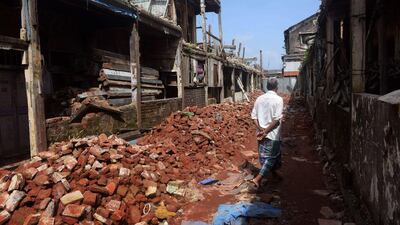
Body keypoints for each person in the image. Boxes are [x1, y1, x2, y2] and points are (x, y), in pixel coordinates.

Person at [250, 77, 284, 187]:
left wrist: (260, 129)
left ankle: (274, 174)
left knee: (266, 156)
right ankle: (258, 179)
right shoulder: (278, 99)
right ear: (276, 87)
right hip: (272, 135)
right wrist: (266, 131)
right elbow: (276, 120)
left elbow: (253, 117)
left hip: (261, 134)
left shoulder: (259, 99)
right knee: (271, 157)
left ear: (267, 87)